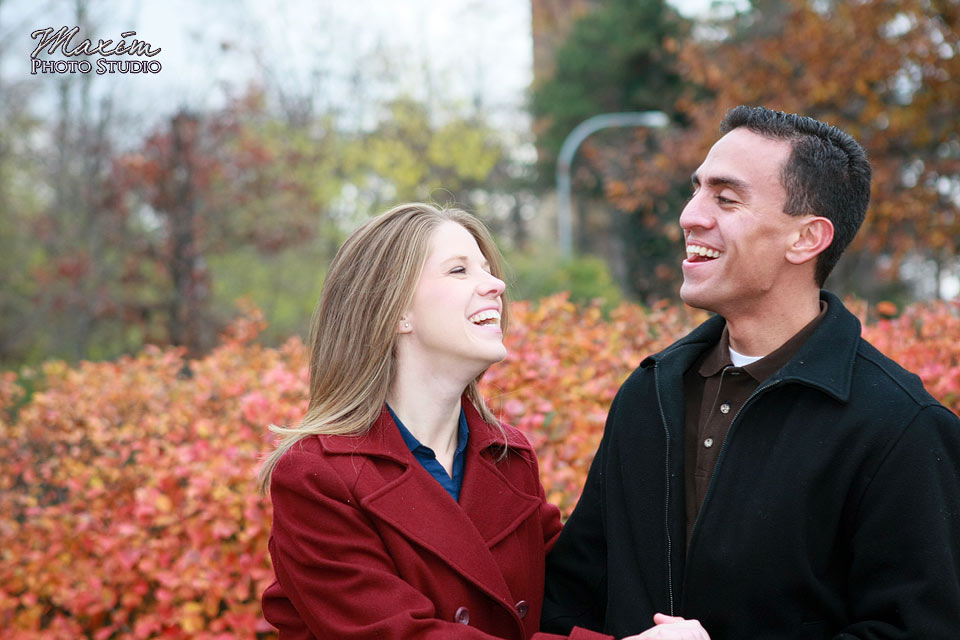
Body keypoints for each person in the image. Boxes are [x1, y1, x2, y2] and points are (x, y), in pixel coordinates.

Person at [541, 106, 960, 639]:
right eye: (696, 191)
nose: (690, 215)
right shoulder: (650, 395)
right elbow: (570, 597)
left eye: (726, 198)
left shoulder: (903, 427)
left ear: (806, 238)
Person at [258, 203, 709, 640]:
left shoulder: (508, 457)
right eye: (459, 270)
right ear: (395, 311)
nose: (495, 283)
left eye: (487, 269)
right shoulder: (315, 477)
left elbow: (571, 592)